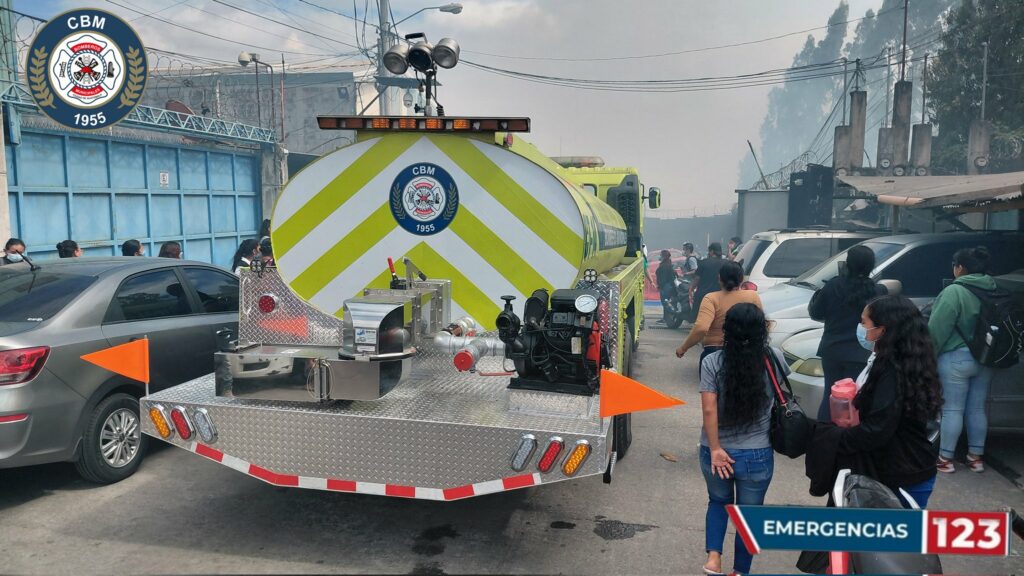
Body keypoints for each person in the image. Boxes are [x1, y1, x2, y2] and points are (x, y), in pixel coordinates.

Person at [837, 295, 943, 507]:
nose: (861, 328)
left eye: (864, 323)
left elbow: (879, 427)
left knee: (897, 528)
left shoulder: (892, 370)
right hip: (900, 465)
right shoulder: (903, 359)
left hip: (902, 474)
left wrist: (833, 439)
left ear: (882, 330)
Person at [698, 303, 779, 576]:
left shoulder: (712, 362)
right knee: (748, 516)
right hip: (757, 453)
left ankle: (713, 558)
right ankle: (740, 571)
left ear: (727, 329)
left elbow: (709, 409)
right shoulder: (772, 359)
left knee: (718, 501)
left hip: (715, 450)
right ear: (761, 330)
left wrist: (716, 448)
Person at [929, 246, 996, 474]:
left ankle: (945, 459)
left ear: (960, 268)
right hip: (986, 357)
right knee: (977, 408)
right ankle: (976, 458)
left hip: (955, 359)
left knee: (952, 409)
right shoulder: (995, 288)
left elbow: (937, 329)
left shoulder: (954, 292)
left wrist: (929, 355)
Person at [808, 246, 887, 421]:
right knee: (855, 399)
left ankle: (825, 432)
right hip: (861, 353)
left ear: (848, 264)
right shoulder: (877, 291)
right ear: (871, 265)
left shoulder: (833, 285)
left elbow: (816, 312)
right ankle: (849, 434)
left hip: (832, 351)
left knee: (831, 395)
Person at [677, 261, 763, 369]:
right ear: (741, 279)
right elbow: (761, 323)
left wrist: (683, 348)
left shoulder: (711, 298)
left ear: (719, 278)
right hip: (746, 350)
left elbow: (701, 328)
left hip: (714, 351)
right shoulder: (752, 296)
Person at [690, 243, 725, 321]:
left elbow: (697, 279)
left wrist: (691, 288)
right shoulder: (726, 263)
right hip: (720, 295)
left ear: (712, 251)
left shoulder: (704, 262)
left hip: (703, 295)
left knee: (698, 317)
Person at [655, 250, 679, 321]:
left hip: (665, 286)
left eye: (660, 255)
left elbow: (663, 278)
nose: (659, 256)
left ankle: (666, 318)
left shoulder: (664, 266)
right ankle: (667, 318)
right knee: (667, 302)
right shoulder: (669, 264)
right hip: (669, 286)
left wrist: (660, 286)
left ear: (664, 256)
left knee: (665, 302)